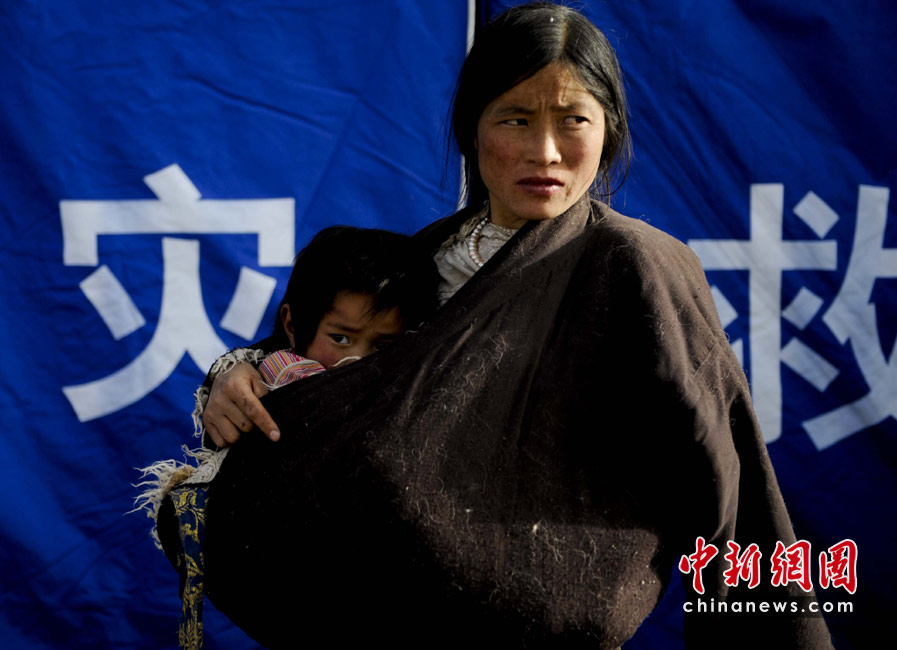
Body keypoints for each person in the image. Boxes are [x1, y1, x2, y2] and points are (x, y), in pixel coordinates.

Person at [158, 3, 835, 648]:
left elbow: (727, 477)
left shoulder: (637, 264)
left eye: (572, 120)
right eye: (514, 119)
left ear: (608, 130)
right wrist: (235, 376)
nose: (544, 151)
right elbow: (318, 374)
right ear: (472, 129)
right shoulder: (423, 260)